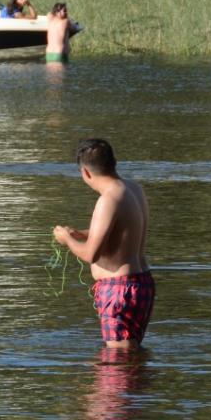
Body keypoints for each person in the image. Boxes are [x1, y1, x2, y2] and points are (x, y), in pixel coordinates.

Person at [53, 138, 153, 348]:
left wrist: (67, 239)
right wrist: (80, 233)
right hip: (141, 282)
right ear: (113, 162)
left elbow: (91, 255)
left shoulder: (108, 199)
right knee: (130, 359)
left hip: (119, 291)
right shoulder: (133, 189)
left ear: (85, 173)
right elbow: (122, 229)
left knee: (117, 365)